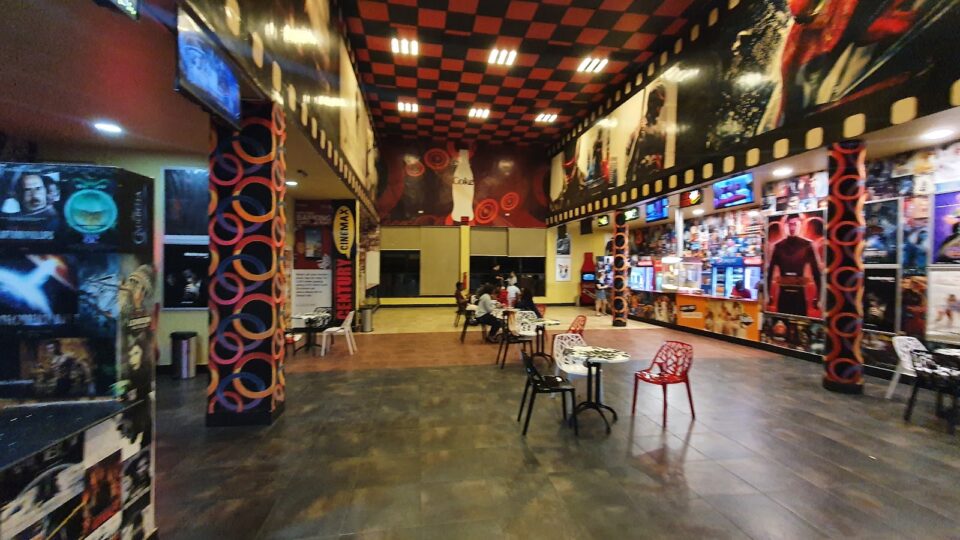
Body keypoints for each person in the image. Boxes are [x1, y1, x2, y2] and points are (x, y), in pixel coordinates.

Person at [767, 214, 822, 316]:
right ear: (785, 226)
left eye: (795, 224)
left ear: (800, 225)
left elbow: (816, 273)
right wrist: (768, 295)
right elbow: (769, 273)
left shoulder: (807, 245)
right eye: (790, 224)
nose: (792, 227)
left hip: (800, 297)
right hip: (783, 296)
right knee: (781, 320)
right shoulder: (778, 246)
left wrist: (818, 297)